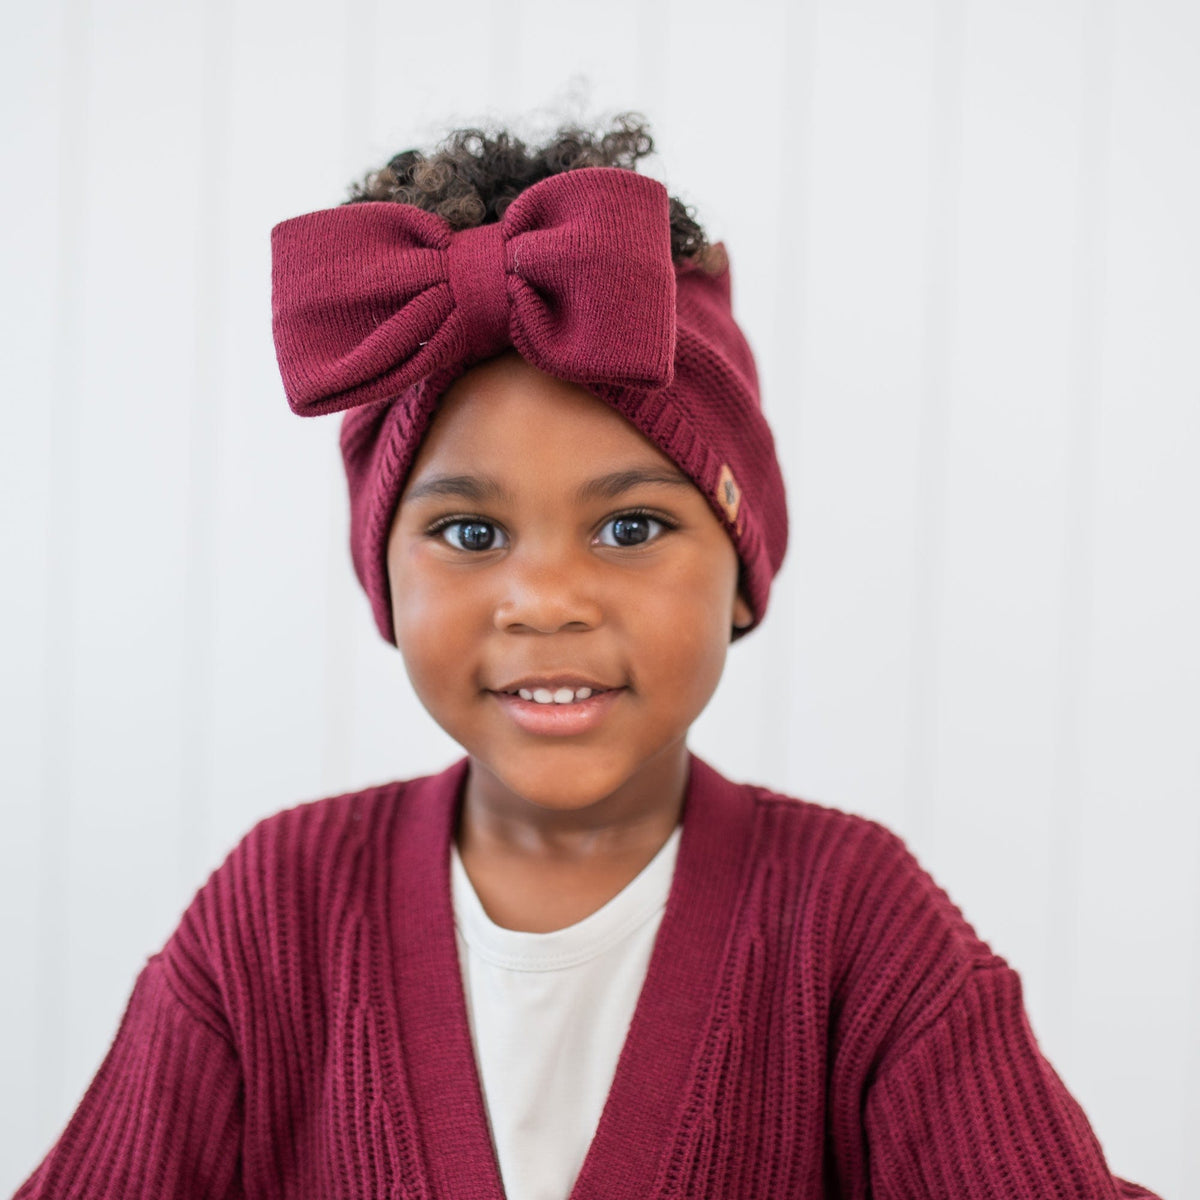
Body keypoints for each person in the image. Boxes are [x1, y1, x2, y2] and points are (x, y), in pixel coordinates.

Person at [15, 114, 1161, 1200]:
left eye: (629, 528)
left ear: (742, 564)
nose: (546, 601)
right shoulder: (277, 912)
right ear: (384, 574)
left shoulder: (855, 921)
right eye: (470, 534)